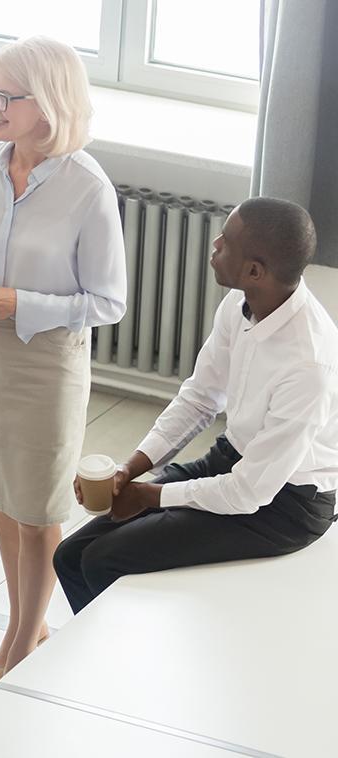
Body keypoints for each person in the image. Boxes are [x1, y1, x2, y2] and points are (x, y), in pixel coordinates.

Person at [0, 35, 127, 680]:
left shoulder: (87, 188)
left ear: (47, 103)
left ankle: (20, 645)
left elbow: (107, 302)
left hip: (45, 369)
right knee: (4, 493)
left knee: (38, 507)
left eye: (4, 96)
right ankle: (29, 627)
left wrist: (20, 303)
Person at [54, 197, 338, 613]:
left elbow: (248, 493)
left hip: (286, 504)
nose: (216, 244)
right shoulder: (241, 303)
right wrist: (129, 470)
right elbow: (200, 398)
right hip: (233, 459)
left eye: (227, 241)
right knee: (69, 557)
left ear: (254, 271)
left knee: (102, 561)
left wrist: (149, 496)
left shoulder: (309, 363)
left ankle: (130, 649)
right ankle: (109, 646)